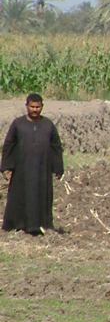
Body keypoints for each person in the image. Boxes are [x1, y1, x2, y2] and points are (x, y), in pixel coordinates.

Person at [2, 93, 64, 236]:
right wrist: (6, 167)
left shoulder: (48, 125)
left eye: (38, 107)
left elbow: (56, 146)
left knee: (42, 197)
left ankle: (41, 225)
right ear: (27, 106)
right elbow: (9, 145)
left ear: (42, 107)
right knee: (20, 196)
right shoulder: (18, 124)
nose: (35, 109)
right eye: (32, 107)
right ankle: (18, 225)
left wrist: (58, 167)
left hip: (43, 170)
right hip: (22, 170)